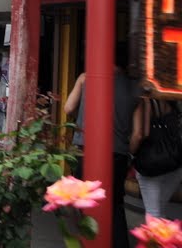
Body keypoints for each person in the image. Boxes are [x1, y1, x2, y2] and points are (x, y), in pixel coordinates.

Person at [64, 42, 139, 248]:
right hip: (119, 155)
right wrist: (125, 152)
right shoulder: (135, 88)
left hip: (87, 151)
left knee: (82, 202)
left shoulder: (86, 77)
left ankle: (87, 242)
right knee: (115, 205)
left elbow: (68, 107)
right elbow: (139, 134)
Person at [130, 97, 182, 218]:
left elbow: (140, 134)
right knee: (159, 209)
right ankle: (165, 236)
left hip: (152, 165)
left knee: (153, 214)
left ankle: (156, 236)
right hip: (174, 164)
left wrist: (130, 153)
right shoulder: (171, 101)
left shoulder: (145, 101)